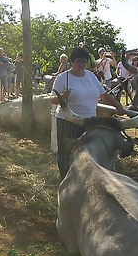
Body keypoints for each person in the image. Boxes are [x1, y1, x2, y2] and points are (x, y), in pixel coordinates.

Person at [52, 47, 127, 179]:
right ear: (71, 62)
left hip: (90, 122)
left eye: (84, 62)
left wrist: (117, 105)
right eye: (78, 61)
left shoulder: (91, 77)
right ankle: (65, 180)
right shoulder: (62, 78)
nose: (81, 65)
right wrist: (62, 96)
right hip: (68, 121)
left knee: (87, 152)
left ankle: (84, 180)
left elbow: (104, 95)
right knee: (66, 152)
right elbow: (52, 99)